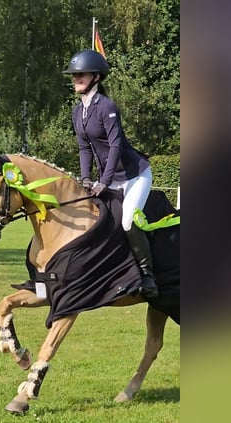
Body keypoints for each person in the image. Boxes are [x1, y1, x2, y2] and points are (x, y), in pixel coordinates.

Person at [63, 49, 158, 299]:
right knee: (100, 220)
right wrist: (85, 178)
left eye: (80, 75)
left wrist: (103, 182)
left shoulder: (107, 107)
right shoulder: (77, 111)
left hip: (134, 175)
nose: (76, 79)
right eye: (74, 76)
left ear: (95, 77)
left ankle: (148, 276)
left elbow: (115, 145)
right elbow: (84, 147)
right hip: (110, 178)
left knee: (127, 221)